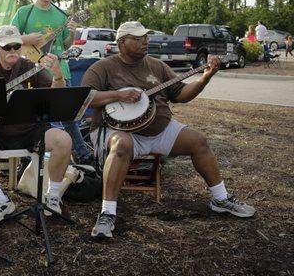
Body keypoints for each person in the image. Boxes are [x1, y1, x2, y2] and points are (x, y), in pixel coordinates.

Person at [81, 21, 256, 239]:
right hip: (117, 132)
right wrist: (118, 95)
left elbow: (181, 94)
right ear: (122, 42)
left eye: (145, 37)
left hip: (160, 129)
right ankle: (108, 213)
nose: (144, 41)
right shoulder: (103, 67)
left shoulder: (157, 66)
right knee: (121, 145)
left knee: (198, 141)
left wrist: (205, 78)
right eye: (137, 38)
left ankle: (220, 199)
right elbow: (86, 98)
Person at [0, 25, 72, 222]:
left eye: (16, 47)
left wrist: (58, 75)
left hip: (30, 129)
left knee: (63, 139)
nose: (13, 51)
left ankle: (53, 197)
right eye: (7, 47)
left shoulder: (30, 67)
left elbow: (56, 96)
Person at [10, 0, 91, 165]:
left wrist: (73, 33)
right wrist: (26, 38)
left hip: (60, 72)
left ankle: (84, 157)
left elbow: (66, 46)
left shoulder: (61, 15)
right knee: (40, 120)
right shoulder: (24, 12)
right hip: (33, 73)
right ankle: (38, 162)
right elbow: (6, 39)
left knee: (69, 116)